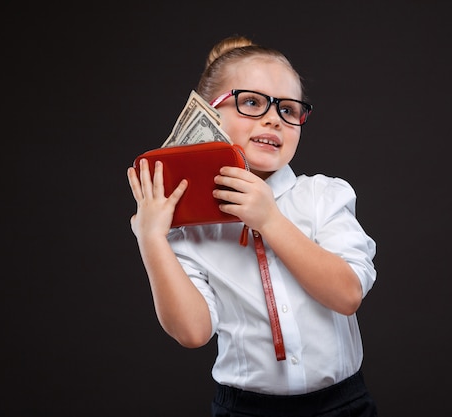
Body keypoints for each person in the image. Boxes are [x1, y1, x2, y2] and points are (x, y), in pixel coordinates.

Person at [127, 35, 378, 417]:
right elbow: (192, 332)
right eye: (251, 102)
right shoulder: (192, 229)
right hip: (245, 410)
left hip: (343, 406)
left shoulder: (323, 196)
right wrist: (152, 239)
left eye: (289, 110)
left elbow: (347, 295)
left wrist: (270, 220)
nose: (274, 118)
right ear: (208, 114)